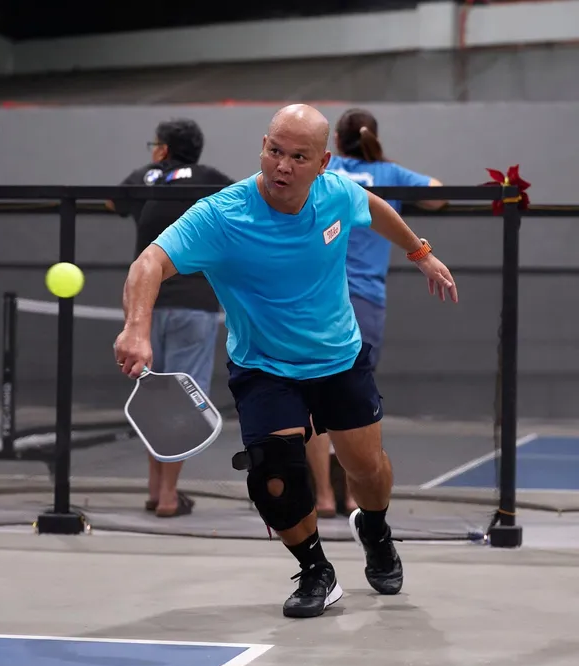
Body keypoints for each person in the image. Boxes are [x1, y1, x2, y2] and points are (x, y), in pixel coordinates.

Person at [114, 104, 458, 619]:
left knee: (367, 469)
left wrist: (420, 252)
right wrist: (136, 329)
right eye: (275, 151)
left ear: (322, 163)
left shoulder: (335, 192)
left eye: (299, 157)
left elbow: (373, 206)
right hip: (264, 365)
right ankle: (316, 569)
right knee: (273, 477)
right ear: (263, 146)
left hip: (338, 357)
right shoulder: (221, 215)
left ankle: (375, 528)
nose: (283, 166)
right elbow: (149, 263)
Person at [305, 107, 447, 518]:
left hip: (317, 296)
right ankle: (355, 496)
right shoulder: (389, 174)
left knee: (312, 397)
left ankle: (323, 496)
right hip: (365, 299)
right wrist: (390, 170)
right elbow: (438, 194)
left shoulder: (325, 172)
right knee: (353, 397)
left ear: (335, 142)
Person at [131, 119, 235, 517]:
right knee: (182, 400)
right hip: (195, 305)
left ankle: (155, 490)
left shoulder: (145, 177)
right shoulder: (211, 179)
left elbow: (110, 202)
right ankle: (169, 496)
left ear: (163, 149)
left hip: (146, 306)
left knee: (154, 396)